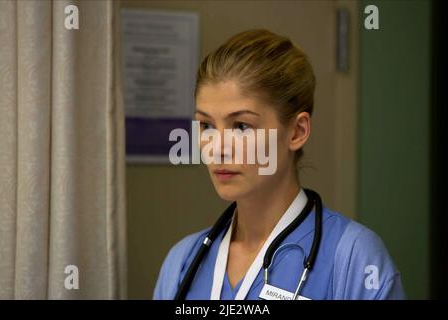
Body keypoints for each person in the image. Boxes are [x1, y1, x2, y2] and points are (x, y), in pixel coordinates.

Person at [153, 29, 405, 300]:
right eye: (206, 125)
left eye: (241, 126)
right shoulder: (182, 262)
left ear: (297, 131)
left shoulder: (355, 258)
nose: (217, 148)